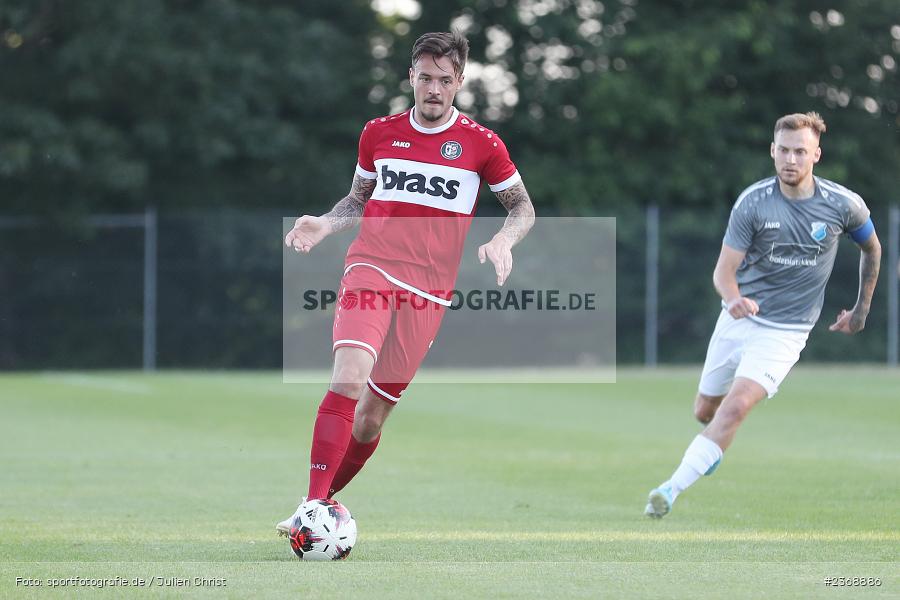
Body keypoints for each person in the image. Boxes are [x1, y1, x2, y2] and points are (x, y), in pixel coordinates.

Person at [277, 31, 535, 532]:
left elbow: (522, 206)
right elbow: (357, 199)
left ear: (459, 81)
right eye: (424, 78)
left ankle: (319, 502)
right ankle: (313, 506)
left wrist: (505, 240)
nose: (433, 89)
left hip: (428, 295)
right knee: (349, 375)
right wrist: (326, 224)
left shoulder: (483, 145)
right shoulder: (378, 133)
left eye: (444, 80)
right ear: (411, 77)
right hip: (371, 267)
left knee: (371, 419)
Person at [644, 112, 881, 518]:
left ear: (816, 155)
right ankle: (712, 446)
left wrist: (861, 309)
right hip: (738, 318)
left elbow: (872, 249)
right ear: (773, 151)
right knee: (705, 412)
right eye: (784, 150)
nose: (791, 159)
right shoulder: (753, 202)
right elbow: (723, 272)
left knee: (736, 407)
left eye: (800, 152)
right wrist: (734, 299)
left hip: (786, 332)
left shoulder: (843, 204)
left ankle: (670, 489)